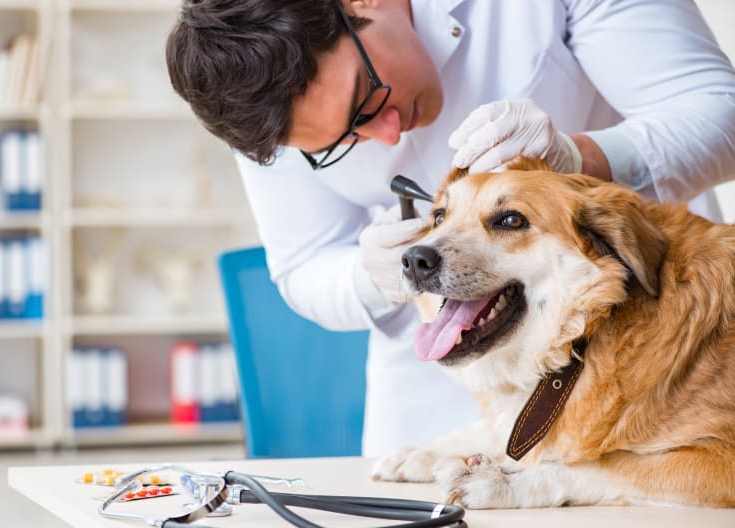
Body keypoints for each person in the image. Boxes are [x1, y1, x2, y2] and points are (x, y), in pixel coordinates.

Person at [166, 0, 735, 457]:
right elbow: (302, 267)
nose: (388, 137)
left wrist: (579, 157)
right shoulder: (261, 107)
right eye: (339, 144)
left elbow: (720, 110)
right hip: (443, 390)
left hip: (659, 348)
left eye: (369, 98)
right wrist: (370, 276)